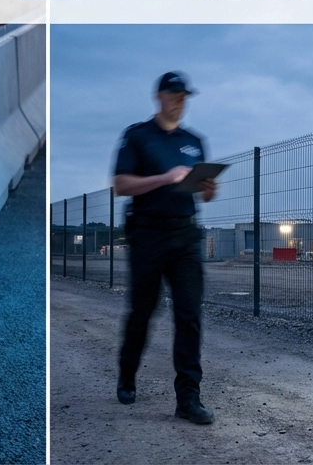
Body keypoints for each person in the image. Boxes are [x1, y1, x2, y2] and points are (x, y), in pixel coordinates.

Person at [111, 70, 217, 425]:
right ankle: (127, 374)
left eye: (184, 96)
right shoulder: (137, 136)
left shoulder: (194, 141)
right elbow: (120, 185)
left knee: (189, 316)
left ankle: (188, 398)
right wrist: (163, 178)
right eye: (174, 95)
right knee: (143, 311)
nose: (179, 101)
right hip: (148, 235)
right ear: (159, 96)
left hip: (186, 236)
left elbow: (202, 191)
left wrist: (207, 190)